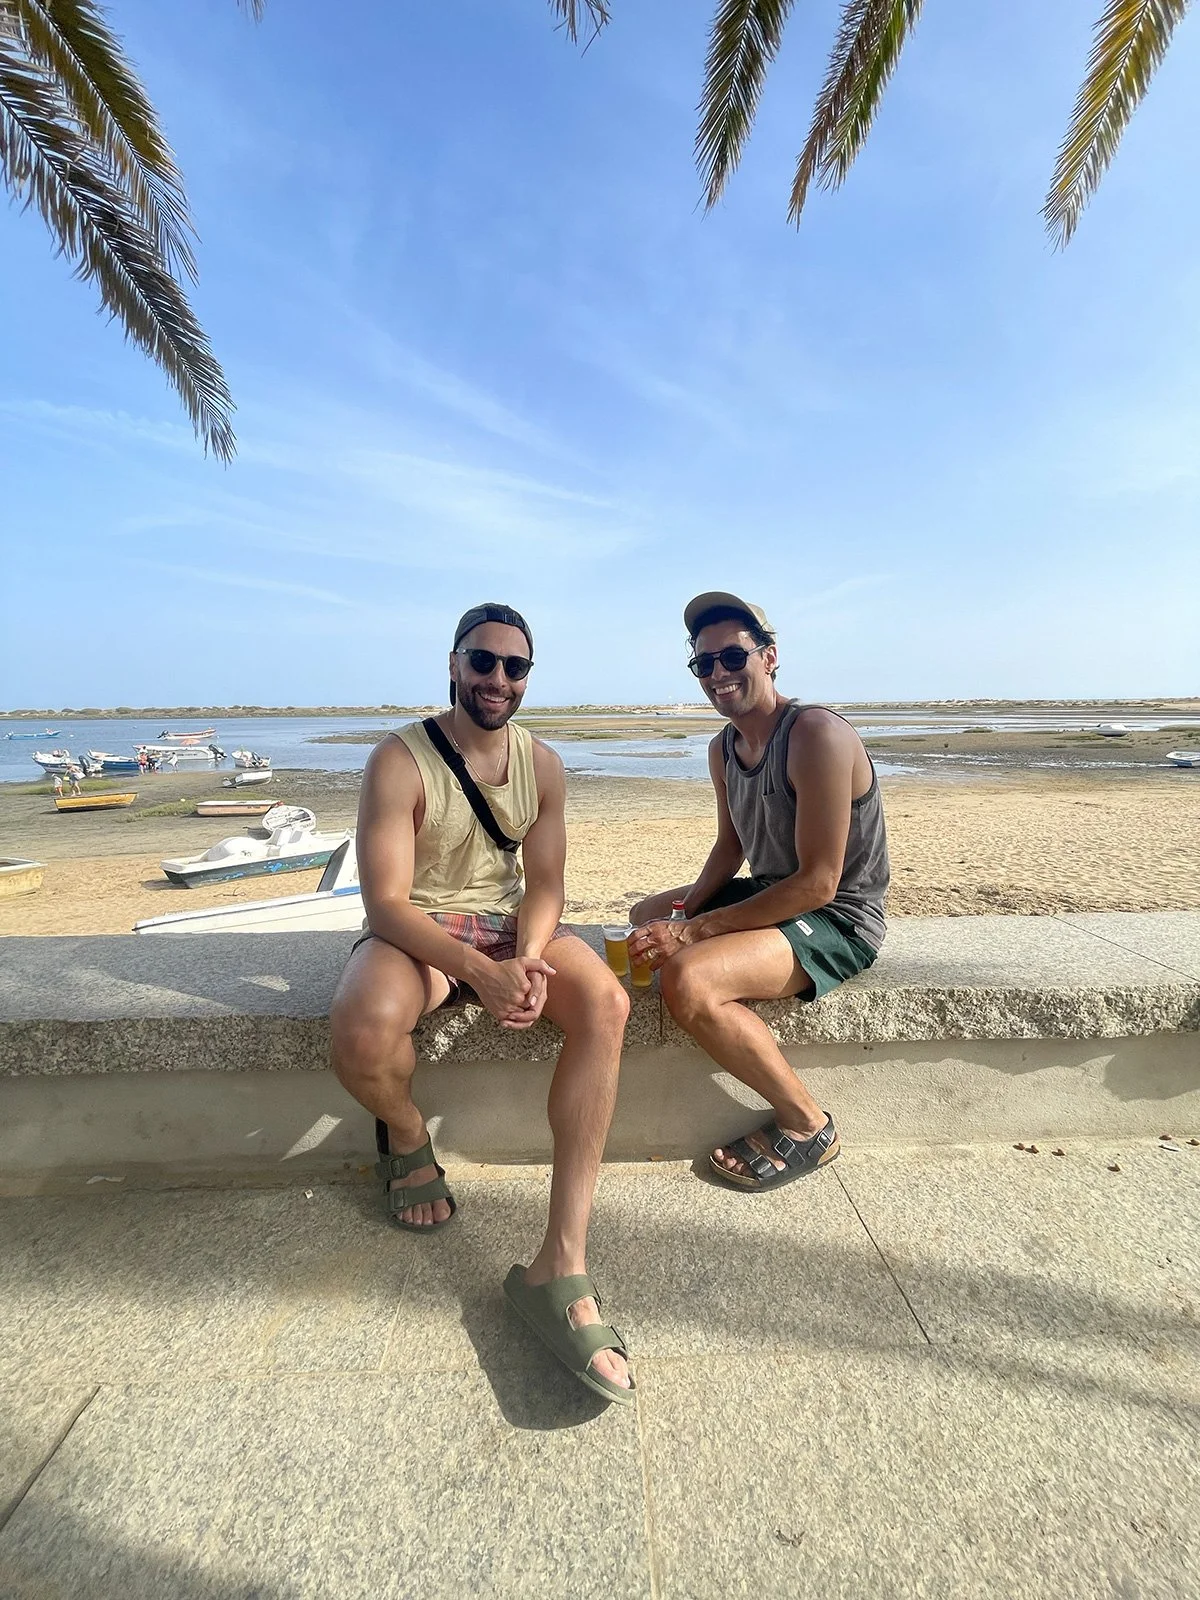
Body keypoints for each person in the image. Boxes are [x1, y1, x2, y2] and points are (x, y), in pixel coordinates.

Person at [330, 602, 634, 1404]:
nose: (499, 678)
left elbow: (547, 887)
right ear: (454, 665)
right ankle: (404, 1135)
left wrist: (527, 960)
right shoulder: (399, 760)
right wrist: (475, 969)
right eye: (484, 661)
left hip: (508, 927)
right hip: (423, 929)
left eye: (515, 666)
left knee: (605, 1004)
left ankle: (559, 1264)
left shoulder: (547, 765)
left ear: (529, 676)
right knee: (362, 1034)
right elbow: (386, 903)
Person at [628, 591, 889, 1192]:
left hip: (837, 916)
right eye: (704, 664)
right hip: (775, 891)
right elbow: (730, 848)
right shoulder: (723, 748)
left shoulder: (815, 735)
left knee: (688, 979)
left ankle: (807, 1124)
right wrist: (680, 913)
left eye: (732, 657)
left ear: (769, 657)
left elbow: (821, 882)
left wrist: (693, 933)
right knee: (646, 914)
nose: (719, 673)